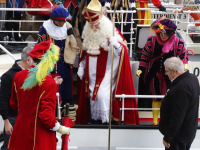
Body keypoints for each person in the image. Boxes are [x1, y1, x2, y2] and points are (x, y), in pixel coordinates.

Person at [76, 0, 139, 125]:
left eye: (96, 24)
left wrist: (117, 45)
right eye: (91, 25)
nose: (94, 27)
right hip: (91, 74)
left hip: (107, 74)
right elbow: (85, 52)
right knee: (91, 98)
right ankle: (94, 120)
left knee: (101, 96)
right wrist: (81, 66)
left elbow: (122, 53)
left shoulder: (112, 32)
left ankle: (105, 121)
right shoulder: (89, 32)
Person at [7, 41, 70, 150]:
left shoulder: (18, 76)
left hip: (21, 132)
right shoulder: (49, 83)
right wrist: (60, 128)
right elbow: (46, 116)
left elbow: (13, 104)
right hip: (39, 137)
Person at [136, 17, 189, 125]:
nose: (162, 36)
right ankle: (155, 121)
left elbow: (184, 56)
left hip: (172, 75)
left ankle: (165, 121)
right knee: (156, 97)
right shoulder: (152, 41)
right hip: (155, 73)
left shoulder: (178, 42)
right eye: (160, 33)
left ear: (171, 33)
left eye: (165, 34)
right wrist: (141, 69)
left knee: (169, 97)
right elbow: (145, 56)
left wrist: (184, 66)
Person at [37, 7, 79, 104]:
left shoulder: (67, 26)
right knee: (56, 89)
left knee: (67, 87)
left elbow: (72, 43)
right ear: (53, 20)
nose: (61, 24)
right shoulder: (45, 28)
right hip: (52, 64)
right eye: (59, 22)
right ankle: (55, 113)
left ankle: (66, 112)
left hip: (66, 62)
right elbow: (39, 47)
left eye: (63, 21)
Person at [159, 57, 199, 150]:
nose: (166, 74)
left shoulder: (181, 87)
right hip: (187, 131)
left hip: (178, 137)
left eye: (167, 71)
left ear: (174, 71)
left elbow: (178, 115)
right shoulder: (192, 78)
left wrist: (168, 137)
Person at [0, 46, 33, 150]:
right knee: (8, 146)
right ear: (28, 60)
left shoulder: (32, 73)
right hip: (13, 118)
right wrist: (6, 122)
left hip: (28, 116)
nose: (38, 64)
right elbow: (2, 100)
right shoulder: (8, 76)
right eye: (36, 60)